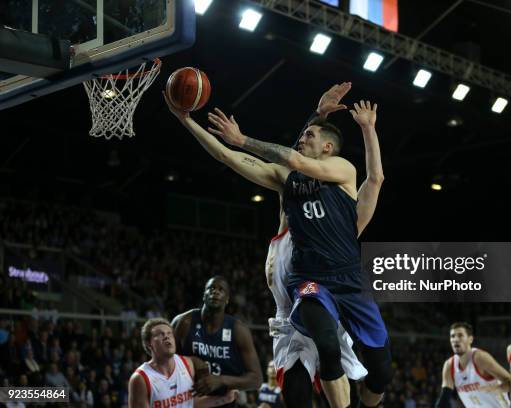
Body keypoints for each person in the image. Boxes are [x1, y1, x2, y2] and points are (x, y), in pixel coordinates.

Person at [164, 83, 388, 407]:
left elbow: (316, 164)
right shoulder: (290, 199)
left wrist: (333, 120)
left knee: (342, 355)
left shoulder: (343, 206)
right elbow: (235, 157)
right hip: (290, 319)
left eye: (312, 136)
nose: (303, 141)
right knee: (298, 398)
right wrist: (186, 120)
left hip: (325, 302)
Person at [171, 276, 263, 408]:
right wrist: (191, 361)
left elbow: (256, 380)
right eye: (211, 288)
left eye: (221, 289)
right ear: (204, 295)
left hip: (224, 402)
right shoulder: (184, 322)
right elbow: (164, 362)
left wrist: (221, 380)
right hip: (187, 401)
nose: (215, 292)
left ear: (227, 300)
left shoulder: (238, 330)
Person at [128, 317, 238, 408]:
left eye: (169, 333)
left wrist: (224, 399)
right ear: (149, 344)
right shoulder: (141, 379)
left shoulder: (187, 364)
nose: (167, 336)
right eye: (160, 334)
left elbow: (190, 403)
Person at [436, 322, 511, 408]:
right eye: (452, 336)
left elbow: (510, 381)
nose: (456, 339)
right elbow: (444, 397)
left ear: (470, 339)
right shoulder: (449, 365)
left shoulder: (479, 358)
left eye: (460, 335)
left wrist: (497, 389)